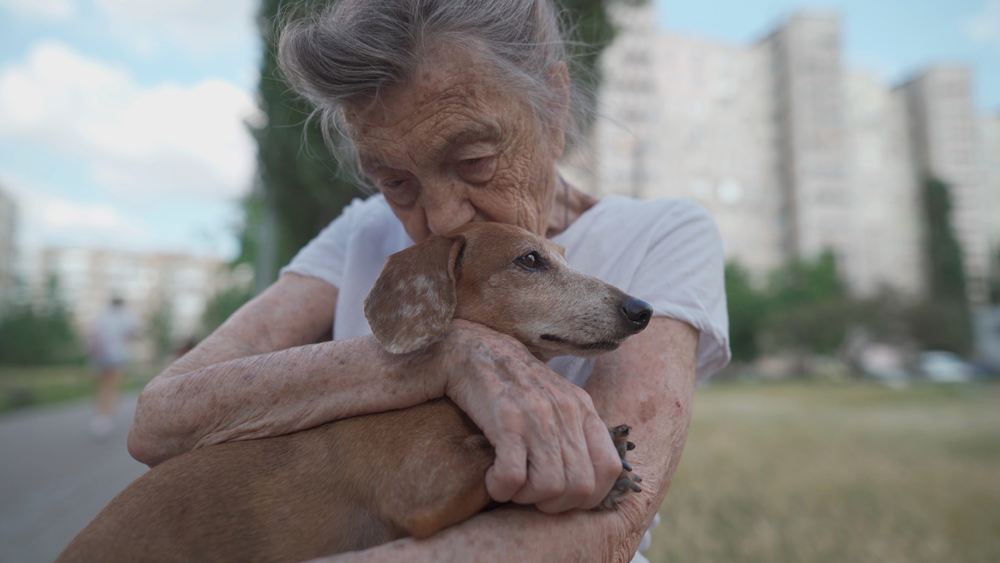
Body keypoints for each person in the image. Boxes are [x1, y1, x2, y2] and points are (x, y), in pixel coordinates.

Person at [127, 1, 730, 561]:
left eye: (473, 162)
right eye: (395, 181)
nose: (440, 218)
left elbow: (610, 526)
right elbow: (159, 419)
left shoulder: (661, 235)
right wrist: (445, 357)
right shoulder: (359, 236)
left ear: (554, 107)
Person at [87, 296, 138, 436]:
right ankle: (106, 418)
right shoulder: (126, 316)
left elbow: (93, 336)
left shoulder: (101, 316)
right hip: (117, 357)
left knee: (102, 387)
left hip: (100, 357)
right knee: (112, 388)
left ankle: (99, 417)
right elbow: (133, 334)